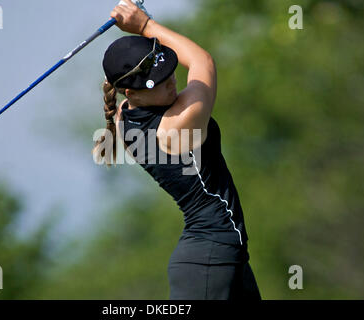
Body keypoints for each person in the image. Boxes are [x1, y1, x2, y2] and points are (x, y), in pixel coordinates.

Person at [93, 0, 261, 300]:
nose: (171, 80)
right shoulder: (176, 127)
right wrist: (145, 26)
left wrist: (145, 38)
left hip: (221, 256)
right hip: (210, 257)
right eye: (157, 81)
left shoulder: (123, 115)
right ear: (131, 92)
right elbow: (202, 62)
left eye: (168, 71)